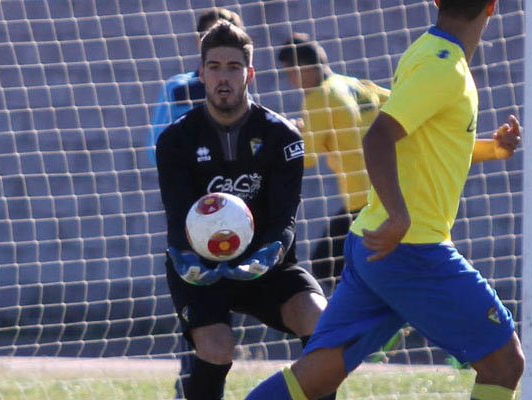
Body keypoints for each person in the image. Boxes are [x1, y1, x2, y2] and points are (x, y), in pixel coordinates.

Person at [246, 1, 524, 399]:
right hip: (411, 249)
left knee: (316, 375)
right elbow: (378, 136)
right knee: (505, 364)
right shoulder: (442, 67)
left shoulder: (427, 52)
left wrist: (492, 149)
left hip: (373, 242)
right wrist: (398, 215)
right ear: (493, 7)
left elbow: (424, 139)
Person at [156, 21, 334, 400]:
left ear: (249, 74)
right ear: (201, 73)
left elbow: (285, 219)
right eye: (215, 67)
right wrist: (186, 259)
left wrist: (268, 256)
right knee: (217, 349)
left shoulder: (283, 136)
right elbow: (176, 219)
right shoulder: (175, 140)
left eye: (234, 67)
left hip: (267, 263)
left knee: (321, 322)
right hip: (201, 267)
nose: (224, 77)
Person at [149, 9, 243, 397]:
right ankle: (189, 384)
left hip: (236, 211)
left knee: (230, 300)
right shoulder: (178, 89)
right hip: (193, 213)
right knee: (197, 297)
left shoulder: (240, 86)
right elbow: (157, 143)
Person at [278, 33, 390, 294]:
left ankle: (372, 317)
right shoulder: (355, 85)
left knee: (323, 263)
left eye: (290, 73)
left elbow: (306, 158)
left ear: (303, 68)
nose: (291, 81)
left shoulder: (318, 97)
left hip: (362, 201)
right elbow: (394, 103)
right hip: (389, 191)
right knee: (359, 265)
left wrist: (294, 132)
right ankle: (378, 315)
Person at [149, 8, 243, 165]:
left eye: (227, 39)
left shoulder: (242, 90)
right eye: (211, 38)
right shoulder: (178, 89)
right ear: (198, 42)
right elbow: (156, 147)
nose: (219, 46)